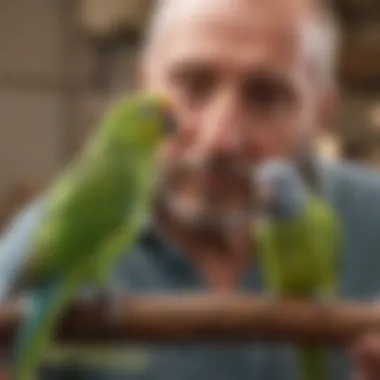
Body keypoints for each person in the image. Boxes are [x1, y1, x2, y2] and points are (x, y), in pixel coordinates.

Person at [1, 0, 380, 379]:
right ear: (144, 85)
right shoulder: (42, 237)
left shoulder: (369, 220)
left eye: (266, 96)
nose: (220, 139)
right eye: (192, 85)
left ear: (322, 113)